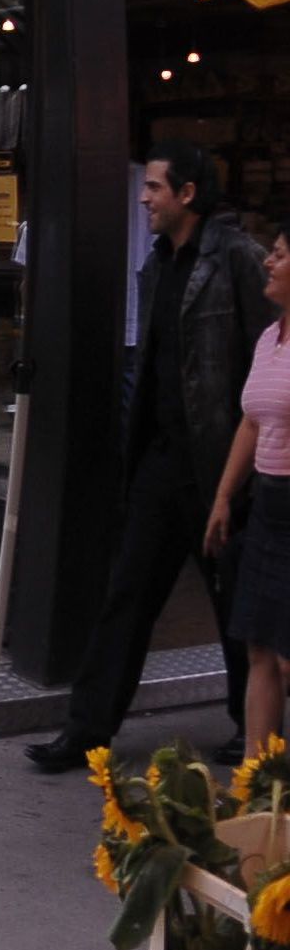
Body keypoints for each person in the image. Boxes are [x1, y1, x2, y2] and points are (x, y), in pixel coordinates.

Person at [31, 141, 275, 772]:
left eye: (155, 188)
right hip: (160, 461)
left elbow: (267, 357)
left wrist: (244, 472)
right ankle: (86, 732)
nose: (144, 199)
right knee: (127, 595)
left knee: (232, 603)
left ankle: (249, 730)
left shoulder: (237, 258)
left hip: (219, 464)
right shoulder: (156, 262)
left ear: (188, 194)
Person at [204, 226, 290, 751]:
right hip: (268, 509)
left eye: (279, 255)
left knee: (287, 658)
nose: (268, 263)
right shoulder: (268, 339)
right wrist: (223, 496)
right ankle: (258, 782)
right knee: (259, 647)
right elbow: (252, 423)